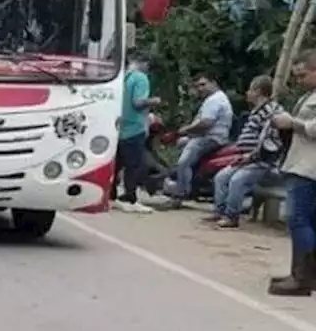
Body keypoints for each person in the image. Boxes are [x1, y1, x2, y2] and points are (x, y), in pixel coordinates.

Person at [266, 51, 316, 296]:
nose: (299, 81)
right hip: (301, 164)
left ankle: (302, 278)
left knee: (299, 220)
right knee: (308, 221)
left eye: (303, 75)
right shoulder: (309, 95)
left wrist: (292, 123)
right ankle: (306, 275)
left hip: (308, 168)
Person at [206, 75, 283, 228]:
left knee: (237, 181)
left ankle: (231, 216)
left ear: (259, 91)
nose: (247, 93)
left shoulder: (269, 111)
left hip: (260, 160)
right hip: (245, 157)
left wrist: (252, 155)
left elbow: (268, 139)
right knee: (221, 177)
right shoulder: (256, 111)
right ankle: (220, 211)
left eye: (250, 90)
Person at [153, 73, 233, 209]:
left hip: (209, 138)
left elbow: (206, 123)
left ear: (214, 83)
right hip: (210, 137)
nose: (200, 89)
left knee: (184, 162)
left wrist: (185, 130)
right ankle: (183, 183)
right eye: (198, 86)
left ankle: (179, 195)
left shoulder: (215, 100)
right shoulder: (217, 98)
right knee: (182, 143)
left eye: (203, 84)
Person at [112, 51, 161, 213]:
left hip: (121, 127)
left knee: (117, 163)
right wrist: (154, 101)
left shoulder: (125, 77)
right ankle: (130, 198)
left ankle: (110, 194)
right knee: (134, 165)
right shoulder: (141, 78)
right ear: (144, 63)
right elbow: (138, 102)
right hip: (135, 127)